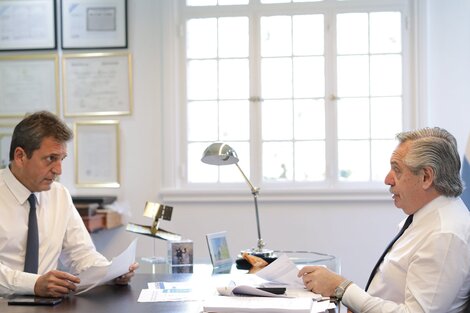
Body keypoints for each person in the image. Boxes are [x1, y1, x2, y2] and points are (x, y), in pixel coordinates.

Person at [298, 127, 470, 312]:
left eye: (397, 170)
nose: (388, 180)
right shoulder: (425, 217)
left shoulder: (444, 235)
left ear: (426, 177)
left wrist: (342, 289)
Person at [0, 111, 138, 298]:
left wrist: (110, 273)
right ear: (20, 156)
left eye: (61, 159)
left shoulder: (59, 195)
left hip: (46, 307)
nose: (58, 170)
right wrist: (33, 284)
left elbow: (81, 255)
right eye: (51, 158)